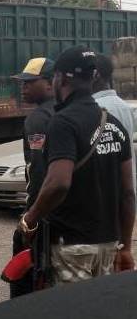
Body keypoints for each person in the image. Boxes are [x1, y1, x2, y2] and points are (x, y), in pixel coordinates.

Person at [20, 46, 135, 285]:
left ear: (60, 78)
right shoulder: (113, 123)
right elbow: (128, 193)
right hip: (109, 243)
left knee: (73, 312)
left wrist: (30, 219)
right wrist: (124, 246)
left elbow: (58, 183)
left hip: (72, 247)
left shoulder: (63, 122)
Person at [9, 57, 56, 298]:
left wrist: (31, 218)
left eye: (30, 82)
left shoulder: (38, 119)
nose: (23, 87)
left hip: (45, 215)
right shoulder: (68, 111)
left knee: (27, 283)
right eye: (22, 82)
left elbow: (38, 171)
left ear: (50, 83)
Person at [93, 54, 135, 195]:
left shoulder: (93, 109)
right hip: (127, 192)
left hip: (104, 197)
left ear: (95, 74)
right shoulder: (125, 107)